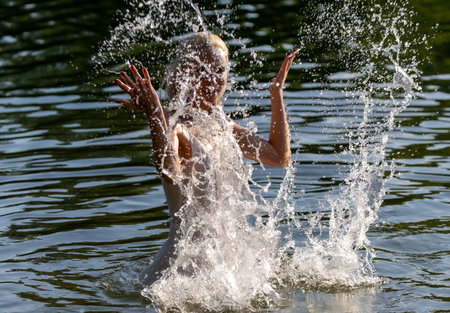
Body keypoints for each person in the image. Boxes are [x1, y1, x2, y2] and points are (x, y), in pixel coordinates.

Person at [114, 32, 297, 286]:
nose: (212, 79)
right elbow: (168, 171)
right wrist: (154, 111)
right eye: (201, 70)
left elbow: (279, 156)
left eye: (219, 70)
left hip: (223, 271)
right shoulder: (174, 126)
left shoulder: (223, 126)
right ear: (182, 75)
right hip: (177, 276)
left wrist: (276, 94)